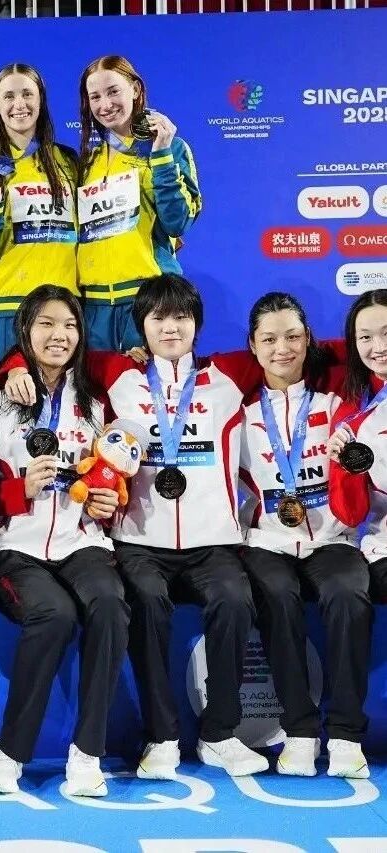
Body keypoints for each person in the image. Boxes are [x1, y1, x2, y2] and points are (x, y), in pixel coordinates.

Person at [0, 274, 268, 779]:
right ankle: (161, 736)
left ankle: (219, 733)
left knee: (235, 600)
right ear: (140, 327)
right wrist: (15, 363)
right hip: (139, 538)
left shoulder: (230, 374)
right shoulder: (116, 372)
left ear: (197, 325)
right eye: (159, 318)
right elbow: (53, 354)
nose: (171, 327)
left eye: (182, 317)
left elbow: (303, 353)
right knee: (145, 602)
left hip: (213, 540)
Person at [0, 285, 133, 796]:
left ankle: (88, 753)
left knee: (109, 604)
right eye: (46, 323)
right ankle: (9, 753)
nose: (59, 334)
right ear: (25, 331)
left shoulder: (98, 395)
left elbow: (117, 472)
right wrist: (20, 489)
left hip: (81, 538)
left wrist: (113, 502)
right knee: (55, 614)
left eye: (69, 324)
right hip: (13, 544)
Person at [240, 292, 371, 779]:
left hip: (334, 537)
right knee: (275, 593)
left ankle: (344, 733)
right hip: (269, 540)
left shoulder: (341, 399)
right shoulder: (238, 411)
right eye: (269, 339)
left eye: (293, 336)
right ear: (252, 346)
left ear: (309, 339)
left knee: (347, 594)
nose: (282, 349)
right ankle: (298, 729)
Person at [0, 65, 79, 382]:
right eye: (8, 96)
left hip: (62, 310)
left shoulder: (70, 162)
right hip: (3, 309)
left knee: (65, 414)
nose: (19, 104)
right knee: (0, 417)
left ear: (41, 100)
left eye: (27, 93)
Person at [77, 56, 201, 352]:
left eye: (113, 91)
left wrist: (160, 155)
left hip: (149, 300)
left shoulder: (170, 147)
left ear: (134, 89)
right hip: (94, 308)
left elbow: (178, 222)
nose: (105, 104)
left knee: (152, 397)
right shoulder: (87, 162)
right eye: (95, 97)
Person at [330, 289, 387, 608]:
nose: (378, 348)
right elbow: (350, 513)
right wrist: (345, 467)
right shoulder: (353, 417)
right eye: (365, 337)